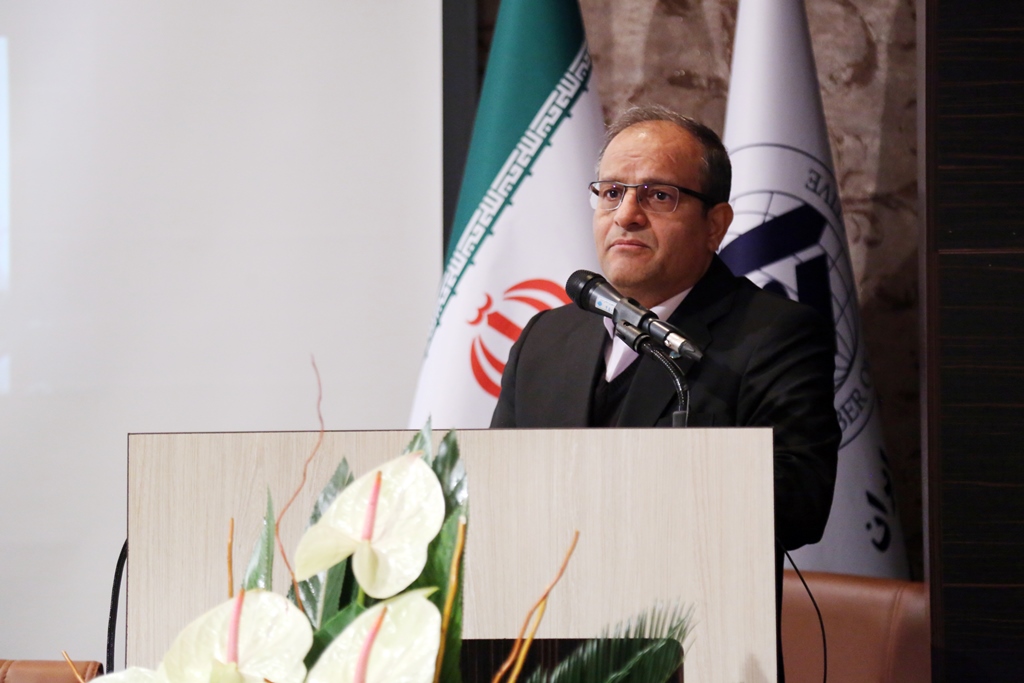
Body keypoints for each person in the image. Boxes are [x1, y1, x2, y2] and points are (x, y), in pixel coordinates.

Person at [490, 105, 840, 680]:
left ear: (715, 224)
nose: (626, 215)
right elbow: (495, 494)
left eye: (658, 196)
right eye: (611, 193)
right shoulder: (547, 338)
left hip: (694, 655)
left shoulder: (774, 334)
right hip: (542, 654)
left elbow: (801, 504)